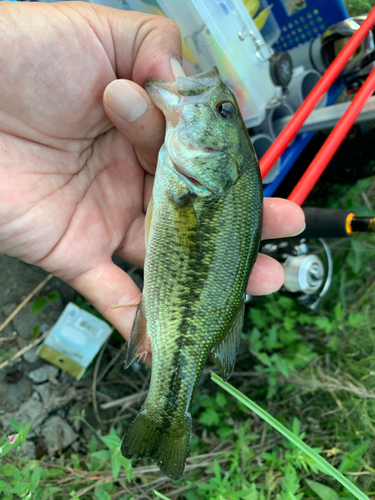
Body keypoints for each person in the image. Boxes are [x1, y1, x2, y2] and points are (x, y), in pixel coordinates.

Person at [0, 1, 305, 364]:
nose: (214, 95)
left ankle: (167, 405)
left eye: (222, 110)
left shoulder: (196, 184)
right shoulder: (193, 181)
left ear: (222, 163)